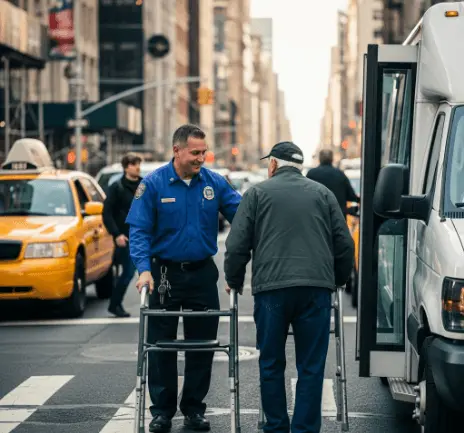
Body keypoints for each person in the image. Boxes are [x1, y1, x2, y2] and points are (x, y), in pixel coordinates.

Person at [224, 141, 354, 433]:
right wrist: (337, 280)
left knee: (271, 362)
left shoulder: (256, 193)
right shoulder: (323, 194)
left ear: (273, 164)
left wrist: (234, 280)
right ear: (299, 166)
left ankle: (276, 428)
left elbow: (236, 245)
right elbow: (344, 244)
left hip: (272, 291)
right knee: (311, 364)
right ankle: (305, 429)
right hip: (315, 290)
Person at [125, 124, 241, 432]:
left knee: (201, 345)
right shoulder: (152, 185)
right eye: (195, 152)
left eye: (204, 152)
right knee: (161, 345)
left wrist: (237, 265)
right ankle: (162, 411)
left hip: (202, 272)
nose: (201, 158)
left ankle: (194, 409)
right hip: (163, 273)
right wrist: (143, 269)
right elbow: (138, 231)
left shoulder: (215, 183)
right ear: (177, 150)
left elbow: (242, 219)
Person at [102, 152, 142, 318]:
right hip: (125, 237)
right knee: (128, 272)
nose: (138, 167)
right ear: (126, 167)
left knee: (153, 271)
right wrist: (116, 234)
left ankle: (156, 306)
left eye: (138, 163)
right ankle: (115, 304)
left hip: (144, 236)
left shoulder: (144, 186)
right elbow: (107, 213)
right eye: (134, 164)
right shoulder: (117, 187)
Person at [306, 149, 360, 217]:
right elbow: (351, 196)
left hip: (317, 218)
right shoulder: (340, 174)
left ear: (320, 159)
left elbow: (305, 196)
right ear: (332, 159)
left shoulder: (311, 174)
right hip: (337, 219)